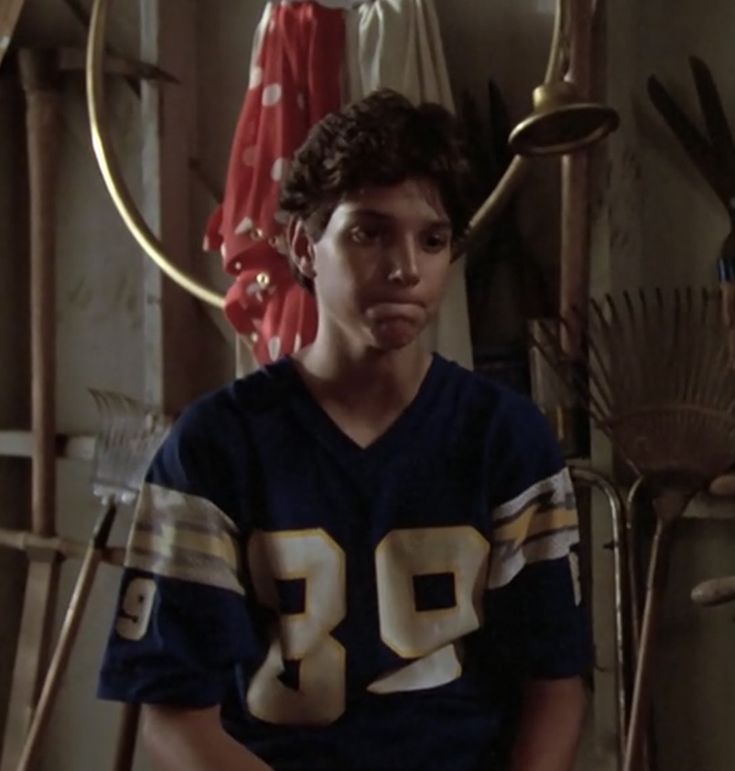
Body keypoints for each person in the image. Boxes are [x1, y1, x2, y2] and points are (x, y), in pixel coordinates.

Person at [97, 89, 589, 771]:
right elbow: (176, 717)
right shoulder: (216, 444)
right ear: (304, 244)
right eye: (368, 232)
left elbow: (554, 686)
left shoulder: (505, 437)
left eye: (432, 239)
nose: (404, 268)